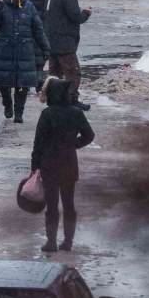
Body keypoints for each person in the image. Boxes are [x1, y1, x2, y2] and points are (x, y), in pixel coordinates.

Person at [31, 77, 96, 252]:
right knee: (69, 204)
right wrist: (74, 144)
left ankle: (51, 242)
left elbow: (38, 143)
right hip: (69, 162)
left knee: (51, 205)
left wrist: (34, 168)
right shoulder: (76, 113)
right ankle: (68, 241)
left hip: (49, 164)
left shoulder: (47, 114)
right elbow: (89, 135)